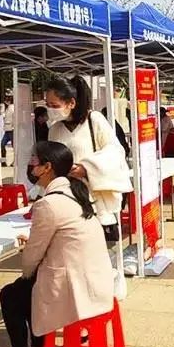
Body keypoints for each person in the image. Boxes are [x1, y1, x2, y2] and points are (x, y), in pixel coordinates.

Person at [0, 141, 115, 347]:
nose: (30, 166)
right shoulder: (76, 191)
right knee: (24, 290)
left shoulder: (49, 203)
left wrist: (29, 259)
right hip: (94, 279)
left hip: (76, 286)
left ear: (47, 167)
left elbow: (31, 259)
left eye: (34, 161)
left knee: (12, 293)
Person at [43, 75, 132, 235]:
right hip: (66, 201)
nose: (50, 109)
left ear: (71, 103)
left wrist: (87, 168)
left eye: (54, 105)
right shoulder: (54, 130)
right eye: (47, 105)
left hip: (94, 203)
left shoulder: (94, 120)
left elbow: (115, 151)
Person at [0, 95, 16, 165]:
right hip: (7, 130)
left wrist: (13, 127)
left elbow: (14, 118)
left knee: (14, 146)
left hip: (12, 130)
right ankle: (3, 161)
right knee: (2, 144)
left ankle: (14, 161)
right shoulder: (7, 108)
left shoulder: (12, 108)